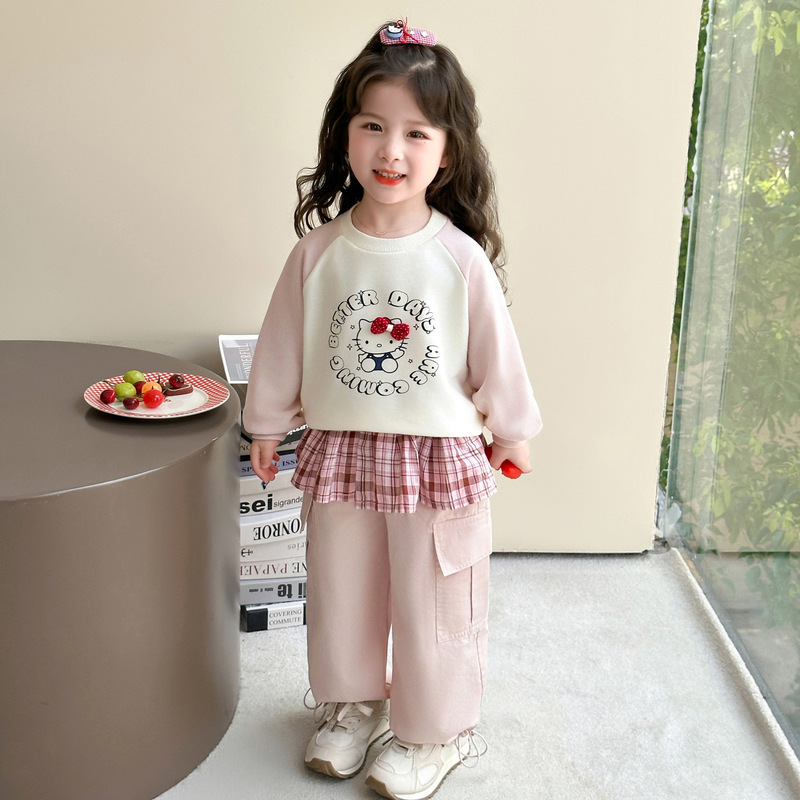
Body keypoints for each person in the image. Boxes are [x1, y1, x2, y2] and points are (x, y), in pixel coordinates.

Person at [243, 19, 542, 800]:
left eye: (416, 132)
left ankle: (435, 731)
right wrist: (266, 422)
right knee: (340, 588)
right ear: (344, 134)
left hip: (436, 456)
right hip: (341, 448)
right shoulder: (318, 253)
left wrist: (512, 430)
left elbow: (495, 352)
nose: (391, 150)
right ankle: (353, 705)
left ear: (448, 152)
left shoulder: (457, 257)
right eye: (373, 126)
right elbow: (282, 343)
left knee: (434, 599)